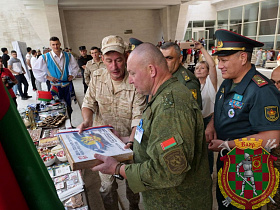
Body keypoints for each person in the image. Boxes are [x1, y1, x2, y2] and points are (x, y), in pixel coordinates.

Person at [90, 42, 212, 210]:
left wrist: (118, 169)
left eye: (132, 73)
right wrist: (126, 140)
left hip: (176, 202)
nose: (130, 80)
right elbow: (155, 138)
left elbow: (170, 171)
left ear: (151, 70)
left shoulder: (171, 108)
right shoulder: (161, 96)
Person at [206, 29, 280, 210]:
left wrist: (226, 144)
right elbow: (223, 108)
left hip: (248, 168)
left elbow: (272, 137)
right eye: (219, 60)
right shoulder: (228, 81)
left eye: (224, 60)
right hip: (226, 162)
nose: (220, 65)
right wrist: (212, 124)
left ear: (243, 58)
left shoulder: (261, 90)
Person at [77, 35, 145, 210]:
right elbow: (88, 102)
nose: (114, 67)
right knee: (107, 187)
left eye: (118, 60)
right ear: (102, 59)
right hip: (103, 144)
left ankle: (134, 207)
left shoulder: (135, 81)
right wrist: (86, 120)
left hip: (129, 144)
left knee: (133, 185)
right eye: (109, 61)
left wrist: (130, 141)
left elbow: (139, 118)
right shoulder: (98, 77)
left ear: (126, 58)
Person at [32, 36, 79, 118]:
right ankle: (60, 127)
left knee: (68, 105)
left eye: (57, 44)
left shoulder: (68, 55)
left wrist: (72, 75)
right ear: (50, 45)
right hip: (54, 86)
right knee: (56, 107)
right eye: (53, 44)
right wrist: (48, 77)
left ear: (60, 44)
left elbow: (75, 67)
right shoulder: (45, 57)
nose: (55, 46)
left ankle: (69, 124)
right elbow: (36, 69)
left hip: (67, 85)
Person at [194, 40, 217, 175]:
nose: (199, 70)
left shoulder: (210, 83)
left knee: (208, 150)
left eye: (202, 68)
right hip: (196, 121)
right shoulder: (193, 84)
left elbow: (212, 64)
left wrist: (201, 48)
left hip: (208, 121)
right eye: (197, 68)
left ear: (208, 72)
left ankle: (208, 174)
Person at [160, 42, 202, 109]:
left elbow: (194, 113)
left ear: (180, 59)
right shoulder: (162, 76)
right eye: (162, 58)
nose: (164, 62)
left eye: (169, 58)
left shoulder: (188, 83)